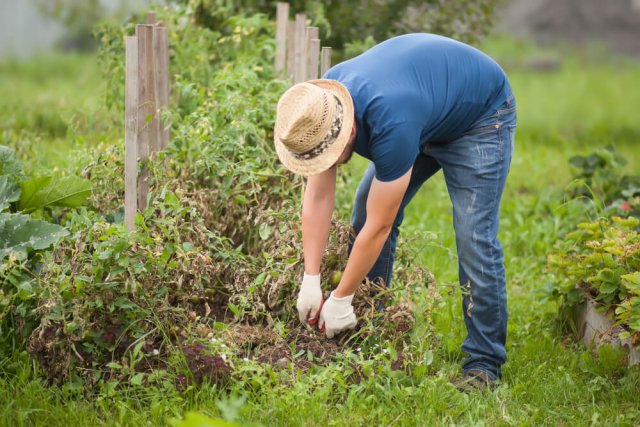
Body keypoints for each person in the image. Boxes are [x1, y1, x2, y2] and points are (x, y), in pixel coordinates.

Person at [273, 33, 516, 391]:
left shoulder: (391, 122)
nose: (327, 163)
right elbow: (319, 197)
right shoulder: (324, 106)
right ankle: (372, 326)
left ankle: (484, 363)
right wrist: (311, 279)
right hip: (425, 107)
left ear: (349, 130)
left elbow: (380, 225)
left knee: (473, 236)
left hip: (479, 115)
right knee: (362, 204)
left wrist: (339, 297)